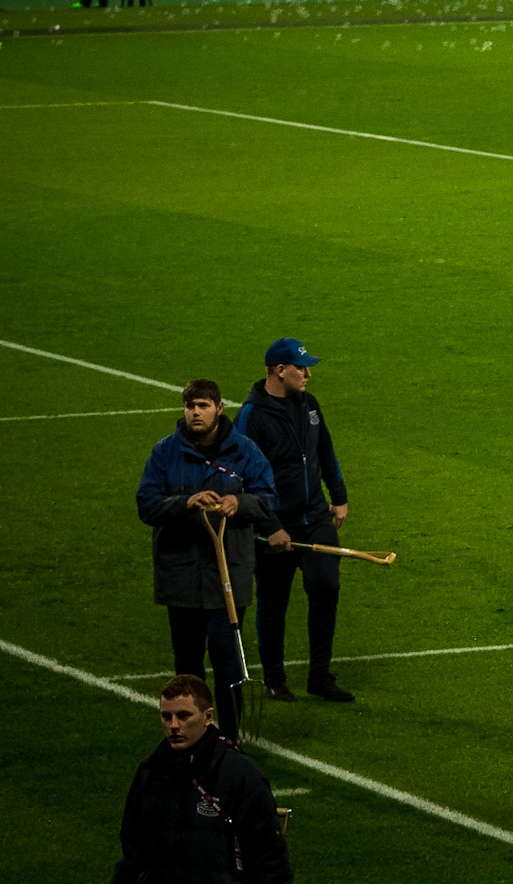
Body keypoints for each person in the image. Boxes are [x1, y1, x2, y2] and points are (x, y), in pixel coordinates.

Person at [137, 380, 289, 744]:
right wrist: (185, 503)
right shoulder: (165, 452)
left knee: (227, 661)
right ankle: (190, 741)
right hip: (182, 577)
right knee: (188, 666)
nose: (195, 412)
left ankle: (230, 742)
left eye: (203, 405)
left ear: (219, 408)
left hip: (228, 577)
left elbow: (268, 497)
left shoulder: (245, 451)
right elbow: (147, 505)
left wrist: (241, 503)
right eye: (190, 406)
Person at [236, 338, 353, 704]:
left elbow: (325, 450)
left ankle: (320, 675)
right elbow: (242, 477)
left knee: (326, 586)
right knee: (273, 603)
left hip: (315, 516)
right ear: (279, 370)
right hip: (274, 525)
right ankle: (275, 680)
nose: (308, 374)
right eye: (301, 367)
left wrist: (339, 497)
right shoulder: (251, 417)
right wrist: (269, 527)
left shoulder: (310, 405)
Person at [112, 675, 292, 884]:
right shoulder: (149, 772)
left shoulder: (240, 775)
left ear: (208, 717)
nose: (173, 725)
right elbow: (132, 855)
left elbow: (271, 864)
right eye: (166, 716)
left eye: (183, 716)